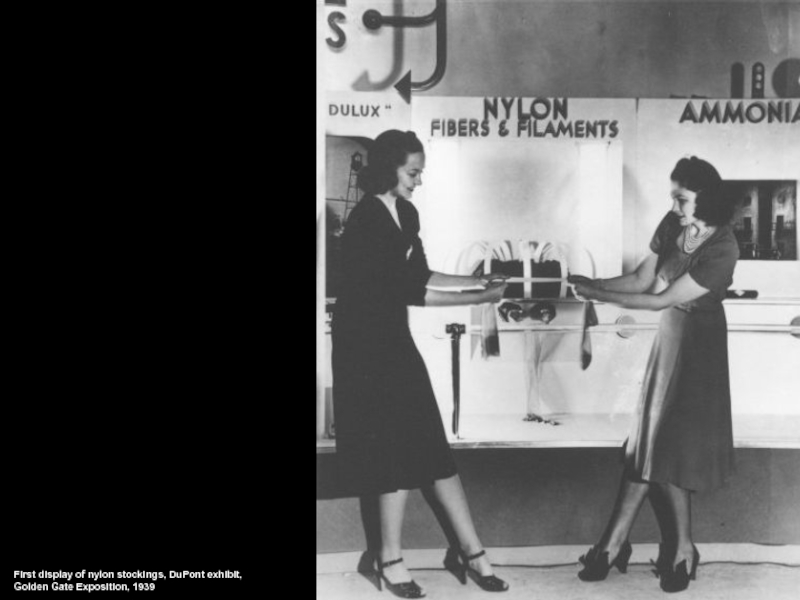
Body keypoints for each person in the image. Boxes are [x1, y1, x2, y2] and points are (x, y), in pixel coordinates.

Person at [331, 129, 510, 598]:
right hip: (363, 348)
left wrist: (477, 282)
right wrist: (479, 299)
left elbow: (421, 272)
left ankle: (471, 551)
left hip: (392, 338)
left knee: (430, 441)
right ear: (388, 169)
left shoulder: (405, 212)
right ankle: (389, 559)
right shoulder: (365, 220)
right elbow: (409, 291)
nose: (419, 180)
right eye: (413, 172)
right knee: (392, 451)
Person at [567, 156, 739, 593]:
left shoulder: (724, 247)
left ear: (705, 198)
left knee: (666, 445)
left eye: (682, 199)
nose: (675, 206)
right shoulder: (673, 223)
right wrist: (593, 285)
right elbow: (643, 279)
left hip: (700, 346)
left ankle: (670, 548)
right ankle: (621, 545)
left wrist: (596, 294)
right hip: (670, 338)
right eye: (673, 198)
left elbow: (662, 299)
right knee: (648, 442)